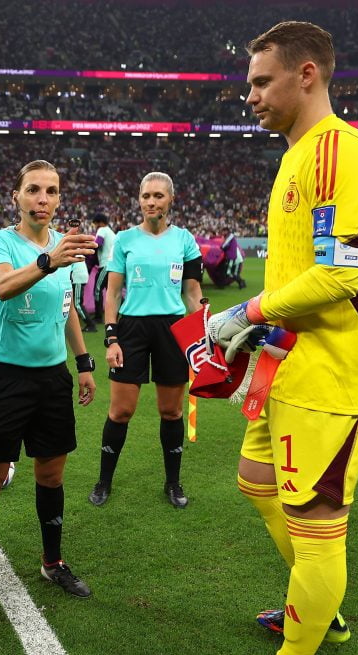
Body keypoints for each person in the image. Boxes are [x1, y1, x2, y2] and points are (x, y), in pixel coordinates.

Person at [200, 20, 358, 655]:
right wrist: (260, 331)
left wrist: (245, 314)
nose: (248, 95)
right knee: (255, 482)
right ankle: (318, 604)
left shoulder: (338, 150)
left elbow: (339, 275)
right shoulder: (297, 154)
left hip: (330, 377)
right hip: (286, 365)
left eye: (260, 81)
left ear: (306, 74)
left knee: (317, 523)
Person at [0, 160, 98, 624]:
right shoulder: (1, 241)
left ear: (58, 198)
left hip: (52, 381)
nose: (43, 199)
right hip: (6, 381)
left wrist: (83, 362)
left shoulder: (65, 246)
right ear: (16, 196)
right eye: (33, 190)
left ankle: (52, 563)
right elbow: (3, 287)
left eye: (51, 191)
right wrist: (48, 260)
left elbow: (68, 306)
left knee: (51, 476)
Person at [89, 172, 205, 510]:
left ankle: (173, 483)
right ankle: (104, 481)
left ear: (171, 199)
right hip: (132, 330)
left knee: (171, 411)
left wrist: (203, 331)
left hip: (172, 330)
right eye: (145, 196)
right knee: (121, 411)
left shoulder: (185, 240)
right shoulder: (125, 240)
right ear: (138, 199)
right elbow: (111, 295)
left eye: (158, 196)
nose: (151, 202)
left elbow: (193, 293)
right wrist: (111, 337)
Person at [69, 227, 97, 333]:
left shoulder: (72, 250)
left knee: (77, 303)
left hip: (78, 277)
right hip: (80, 276)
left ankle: (91, 324)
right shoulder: (76, 250)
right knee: (76, 303)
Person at [91, 213, 116, 318]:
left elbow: (98, 243)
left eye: (96, 223)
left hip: (105, 264)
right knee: (112, 291)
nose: (95, 226)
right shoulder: (112, 233)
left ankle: (98, 316)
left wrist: (89, 250)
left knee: (97, 289)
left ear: (100, 222)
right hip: (113, 265)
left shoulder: (102, 230)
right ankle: (122, 313)